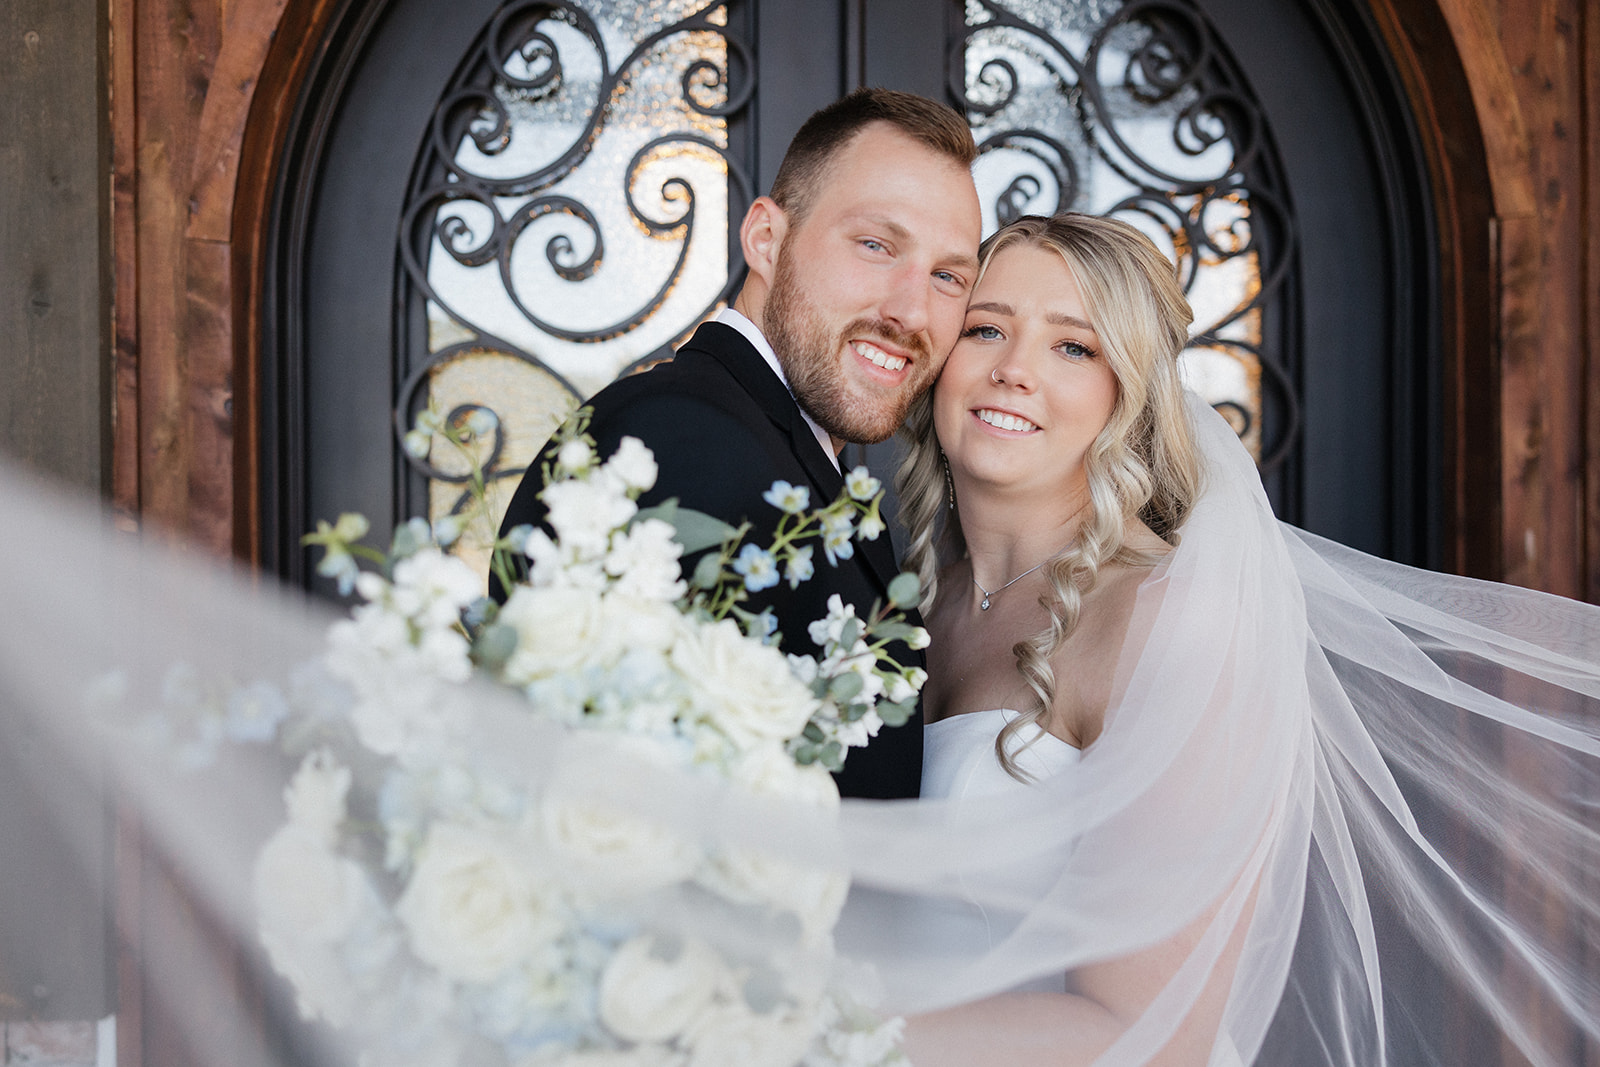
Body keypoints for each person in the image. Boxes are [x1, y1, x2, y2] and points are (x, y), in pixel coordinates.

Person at [840, 213, 1600, 1065]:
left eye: (1074, 347)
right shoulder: (894, 605)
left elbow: (1148, 1033)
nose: (1014, 370)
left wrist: (793, 1038)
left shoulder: (1168, 620)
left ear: (1126, 396)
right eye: (987, 329)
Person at [493, 87, 983, 800]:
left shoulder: (796, 457)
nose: (911, 310)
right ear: (766, 239)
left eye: (947, 276)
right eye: (876, 245)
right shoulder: (682, 441)